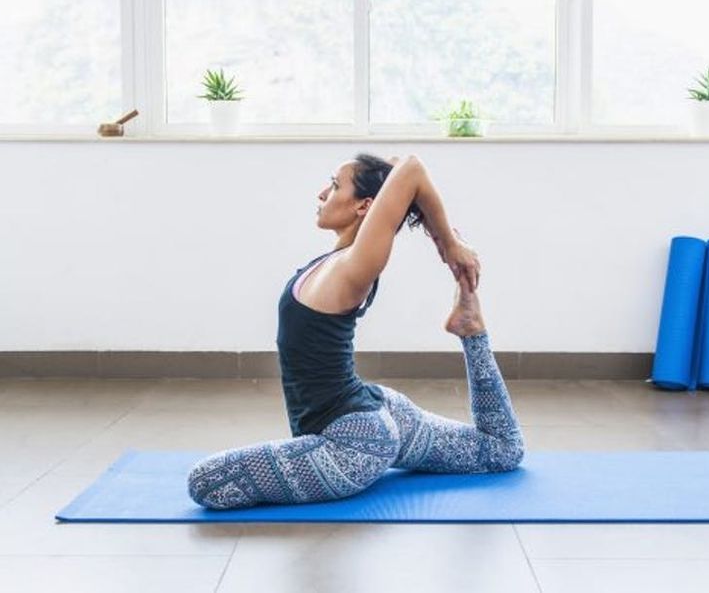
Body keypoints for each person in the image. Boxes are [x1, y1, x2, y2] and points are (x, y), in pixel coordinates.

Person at [187, 153, 524, 509]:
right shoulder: (336, 260)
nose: (321, 194)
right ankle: (470, 326)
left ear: (364, 206)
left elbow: (410, 168)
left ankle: (471, 329)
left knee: (205, 483)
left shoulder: (355, 265)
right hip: (380, 412)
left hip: (352, 447)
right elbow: (397, 172)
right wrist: (431, 228)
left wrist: (449, 244)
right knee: (502, 450)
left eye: (334, 186)